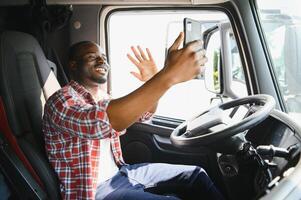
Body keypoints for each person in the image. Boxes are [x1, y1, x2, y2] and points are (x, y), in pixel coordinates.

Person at [43, 32, 224, 200]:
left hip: (121, 172)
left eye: (104, 58)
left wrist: (152, 80)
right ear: (73, 65)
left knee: (196, 175)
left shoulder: (104, 97)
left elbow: (144, 115)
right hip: (93, 191)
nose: (101, 61)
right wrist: (167, 76)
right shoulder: (61, 101)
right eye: (92, 57)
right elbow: (106, 122)